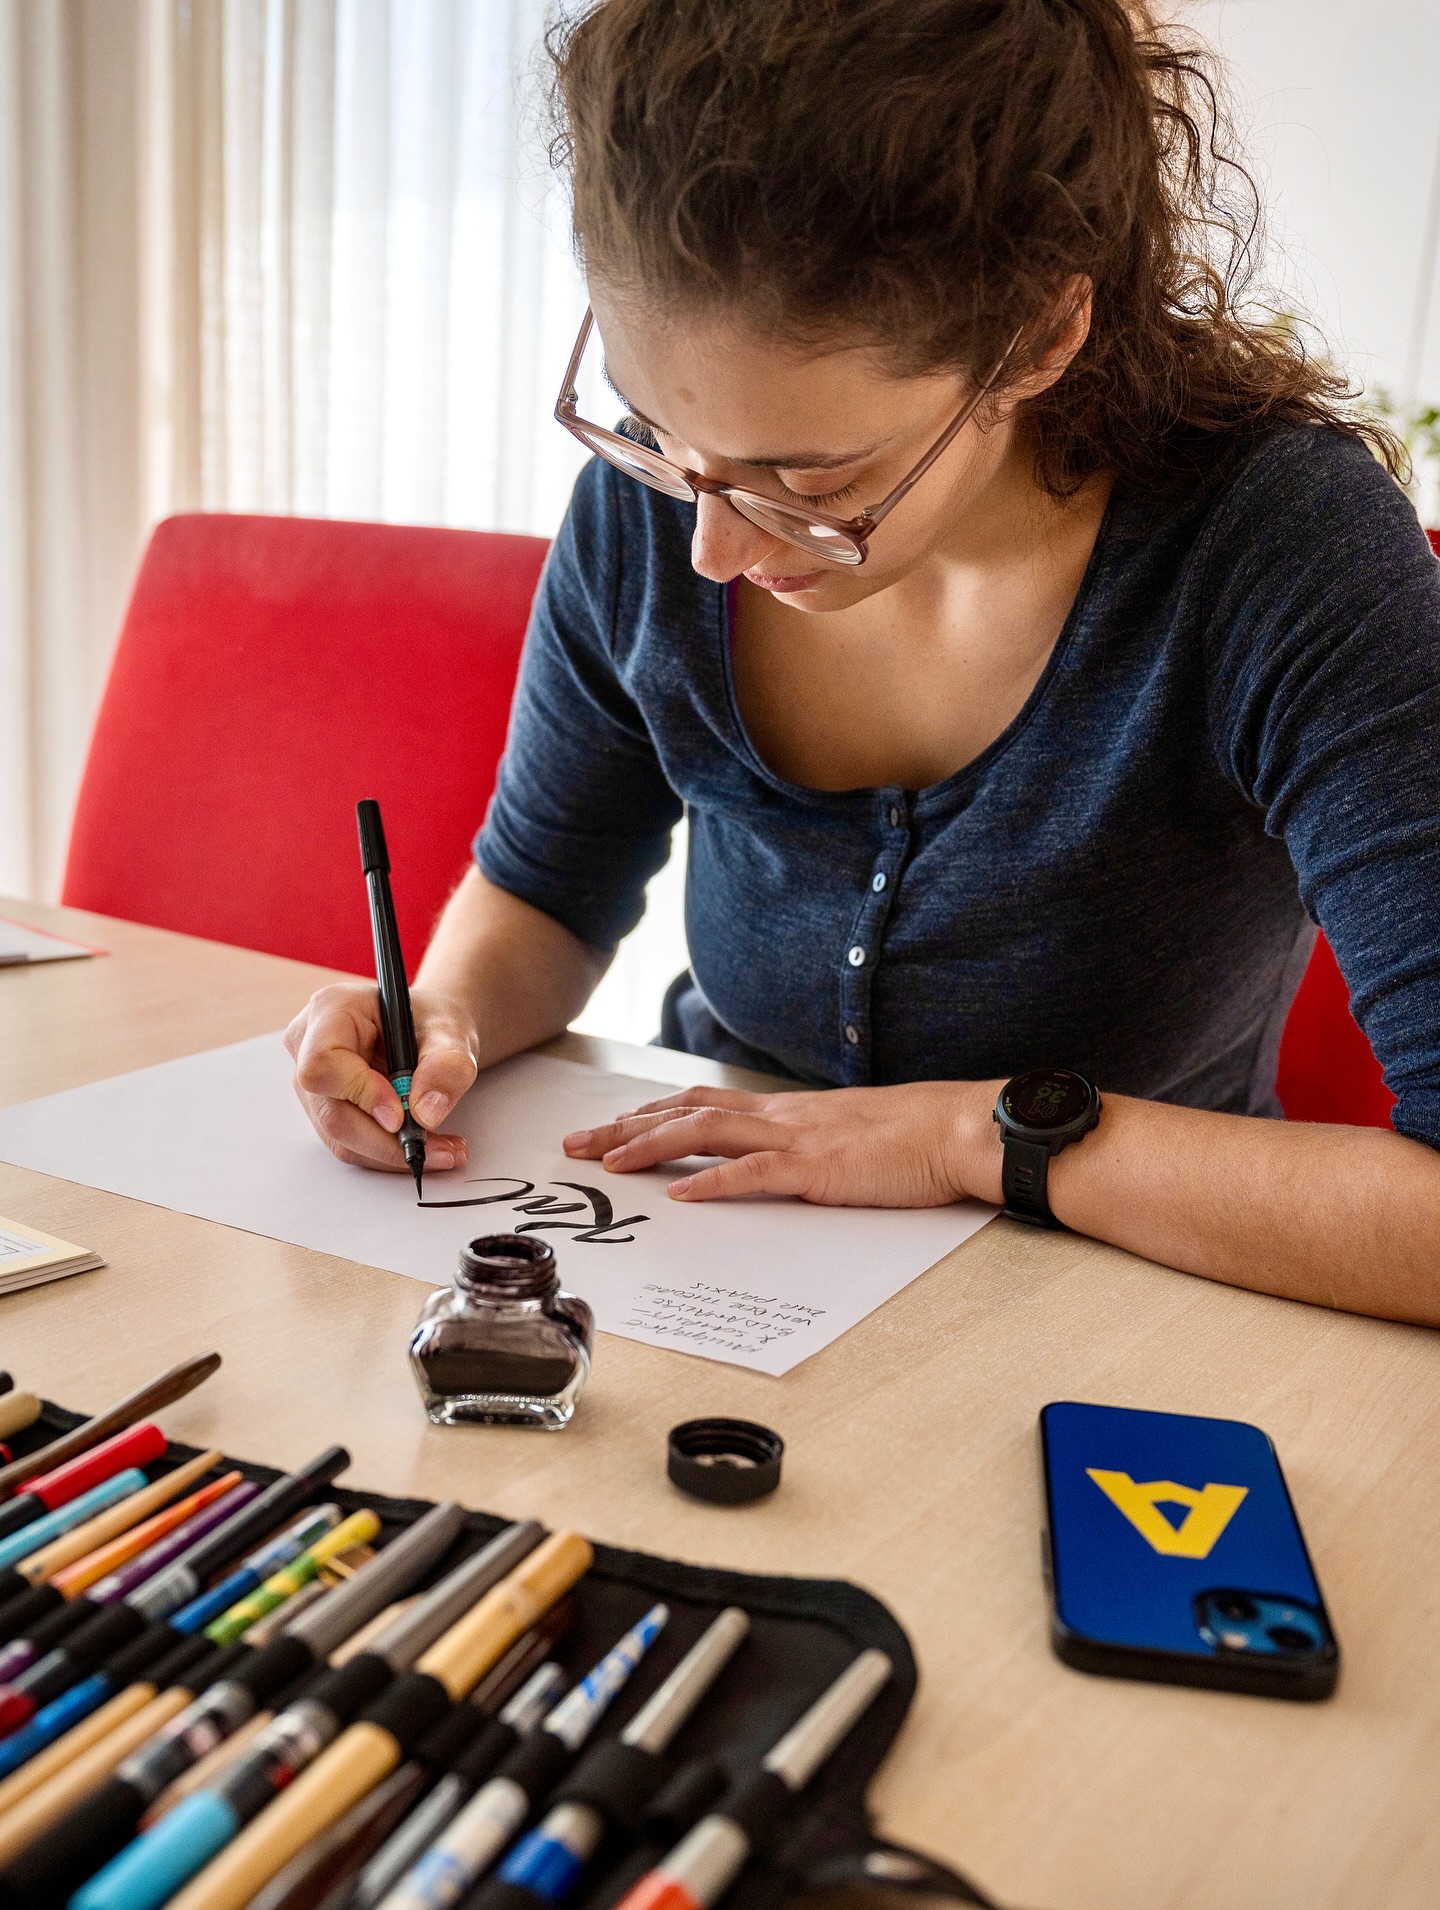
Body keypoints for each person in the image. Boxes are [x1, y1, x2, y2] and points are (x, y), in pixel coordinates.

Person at [287, 0, 1440, 1323]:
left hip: (1136, 1316)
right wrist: (445, 1021)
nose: (710, 544)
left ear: (1040, 339)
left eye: (809, 476)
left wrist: (970, 1138)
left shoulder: (1277, 555)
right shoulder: (661, 505)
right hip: (714, 1272)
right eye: (659, 429)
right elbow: (546, 889)